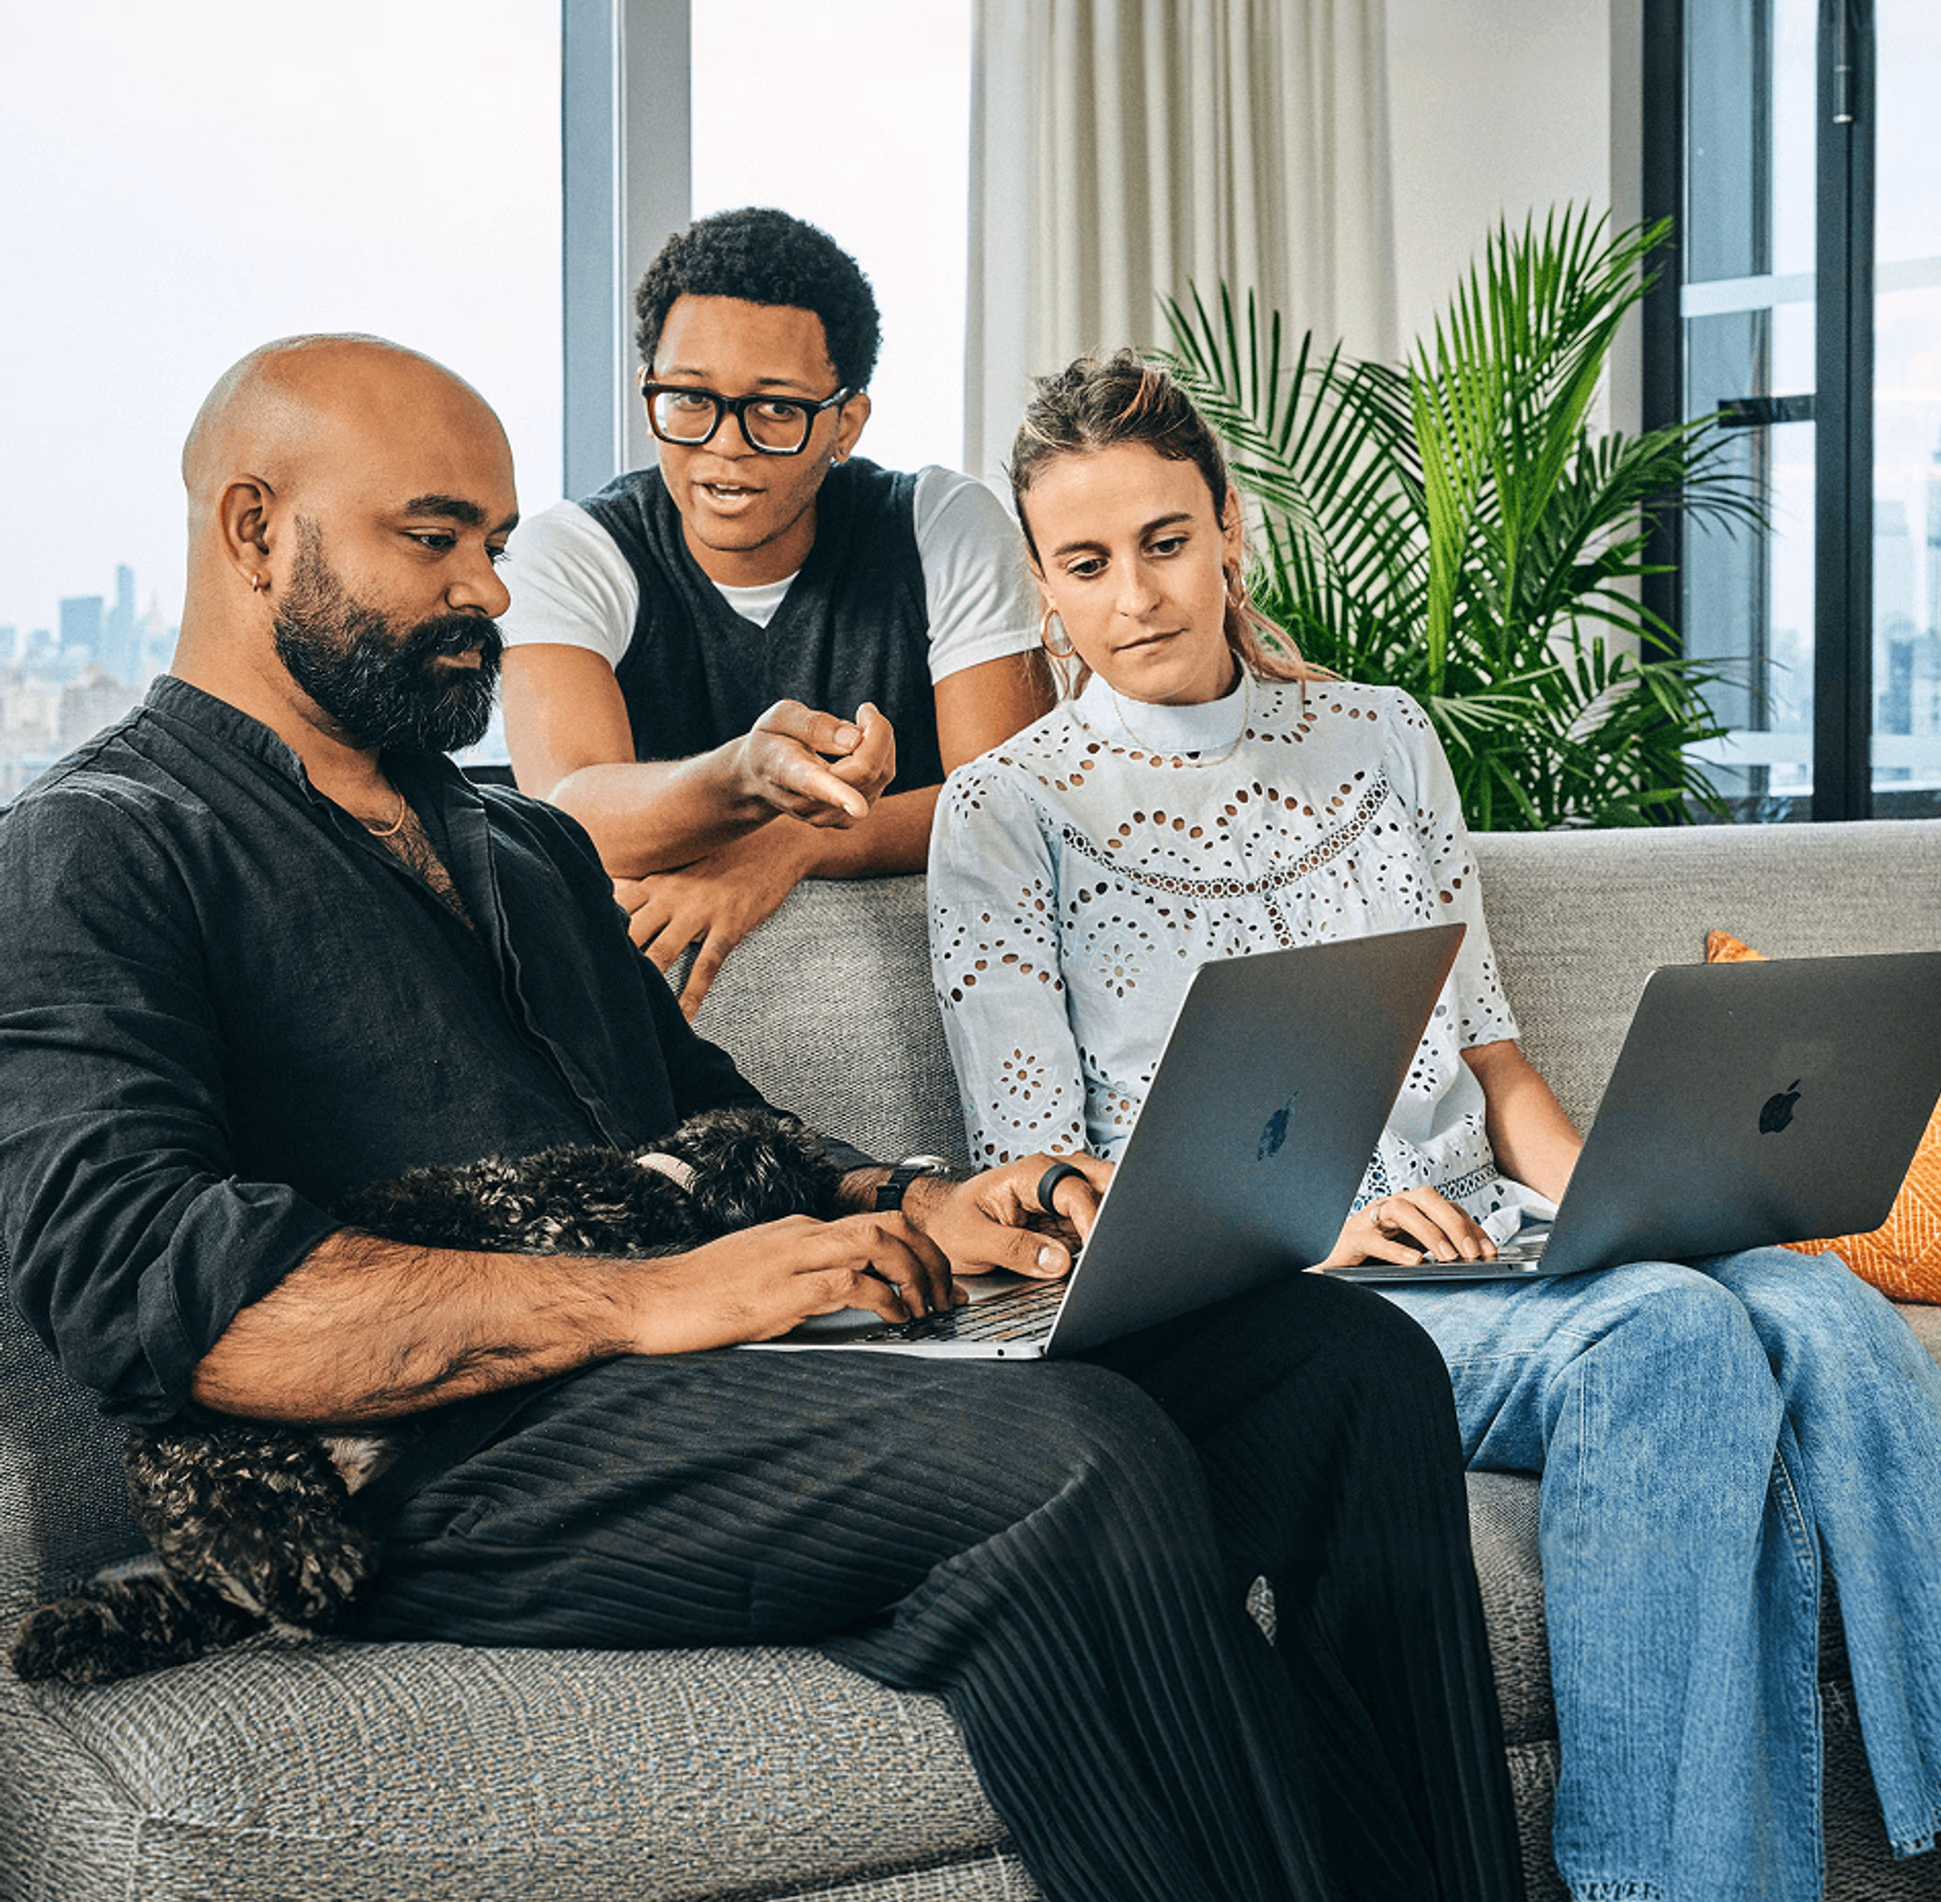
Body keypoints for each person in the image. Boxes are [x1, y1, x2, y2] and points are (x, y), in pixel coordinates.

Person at [0, 334, 1530, 1902]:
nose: (489, 593)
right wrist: (663, 1295)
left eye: (498, 546)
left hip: (701, 1392)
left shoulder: (517, 845)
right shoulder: (98, 848)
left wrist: (925, 1206)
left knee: (1344, 1367)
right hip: (438, 1465)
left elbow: (717, 1123)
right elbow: (163, 1303)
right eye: (433, 538)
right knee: (1071, 1456)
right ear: (256, 530)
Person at [927, 349, 1941, 1902]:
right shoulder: (1002, 809)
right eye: (1088, 562)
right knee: (1667, 1336)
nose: (1137, 594)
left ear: (1230, 527)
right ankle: (1665, 1888)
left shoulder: (1383, 737)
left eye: (1166, 541)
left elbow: (1498, 1065)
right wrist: (1314, 1226)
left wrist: (1641, 1203)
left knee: (1804, 1294)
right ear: (1044, 587)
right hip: (1291, 1300)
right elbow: (1040, 1178)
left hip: (1496, 1239)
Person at [500, 207, 1051, 1016]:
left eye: (776, 410)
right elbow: (573, 815)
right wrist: (749, 780)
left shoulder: (941, 524)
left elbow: (1010, 802)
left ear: (845, 425)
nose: (727, 444)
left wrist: (788, 843)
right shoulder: (571, 552)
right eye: (689, 398)